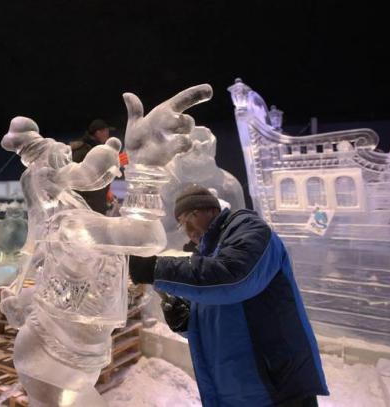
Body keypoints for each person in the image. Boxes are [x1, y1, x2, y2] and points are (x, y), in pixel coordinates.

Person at [129, 184, 329, 407]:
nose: (187, 230)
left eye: (190, 218)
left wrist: (154, 268)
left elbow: (235, 278)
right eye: (181, 224)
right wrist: (187, 320)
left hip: (276, 389)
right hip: (236, 394)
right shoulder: (210, 257)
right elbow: (223, 314)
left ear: (211, 211)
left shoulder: (250, 229)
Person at [70, 119, 116, 214]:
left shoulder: (98, 149)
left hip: (95, 200)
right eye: (106, 131)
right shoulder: (84, 150)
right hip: (88, 203)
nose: (108, 135)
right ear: (98, 133)